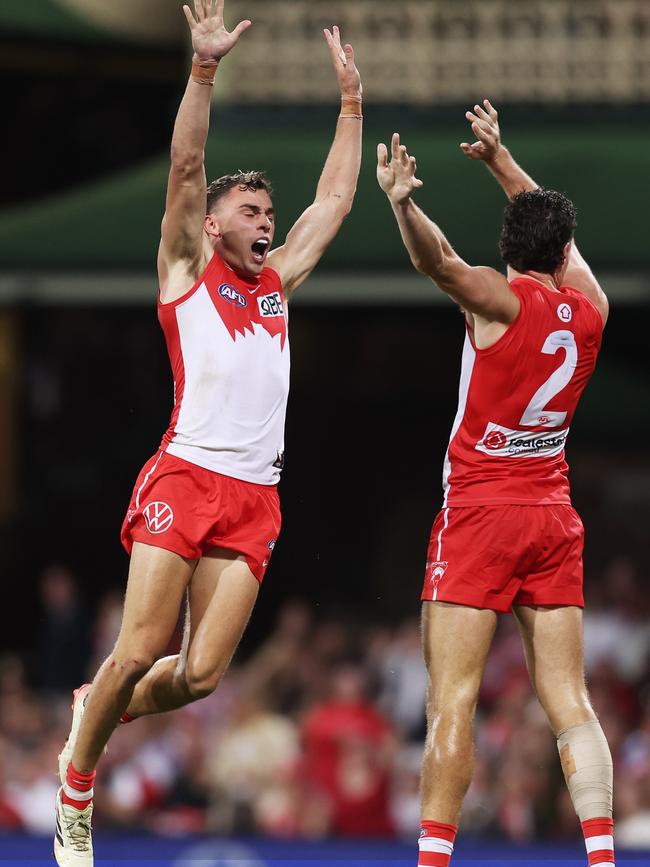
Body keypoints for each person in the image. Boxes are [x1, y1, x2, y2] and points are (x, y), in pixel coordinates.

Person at [53, 1, 363, 863]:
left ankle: (94, 706)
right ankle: (77, 794)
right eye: (254, 211)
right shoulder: (187, 271)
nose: (268, 221)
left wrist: (350, 105)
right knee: (143, 646)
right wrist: (201, 69)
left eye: (270, 212)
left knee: (199, 676)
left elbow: (334, 200)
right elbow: (187, 162)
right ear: (216, 222)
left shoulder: (276, 291)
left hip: (255, 495)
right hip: (187, 475)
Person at [377, 102, 613, 867]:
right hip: (552, 514)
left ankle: (433, 862)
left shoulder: (498, 300)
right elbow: (560, 244)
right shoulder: (592, 313)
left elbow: (436, 262)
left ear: (508, 246)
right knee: (569, 702)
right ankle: (604, 858)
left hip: (481, 514)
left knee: (452, 698)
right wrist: (506, 163)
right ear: (562, 249)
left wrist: (403, 203)